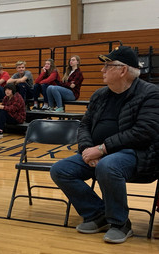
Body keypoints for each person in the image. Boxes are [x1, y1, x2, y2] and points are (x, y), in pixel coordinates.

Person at [50, 46, 159, 244]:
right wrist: (85, 150)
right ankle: (97, 214)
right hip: (98, 154)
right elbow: (84, 125)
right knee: (60, 170)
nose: (102, 70)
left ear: (123, 70)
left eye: (107, 66)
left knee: (108, 165)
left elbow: (144, 132)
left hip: (137, 156)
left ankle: (120, 223)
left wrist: (102, 149)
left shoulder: (151, 93)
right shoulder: (100, 95)